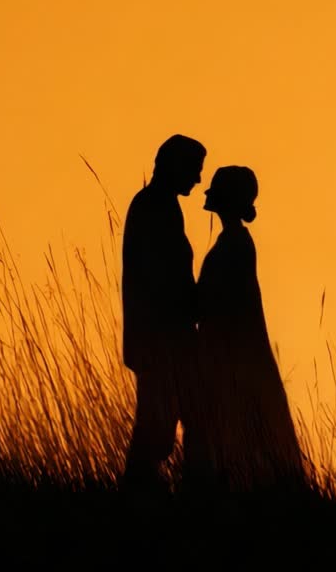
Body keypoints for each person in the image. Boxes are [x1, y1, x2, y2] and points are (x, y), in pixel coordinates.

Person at [193, 165, 305, 495]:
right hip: (231, 357)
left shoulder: (234, 245)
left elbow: (215, 302)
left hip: (230, 361)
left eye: (216, 189)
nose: (208, 192)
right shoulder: (234, 242)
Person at [120, 134, 207, 492]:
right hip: (162, 343)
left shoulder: (159, 204)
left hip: (165, 341)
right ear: (175, 166)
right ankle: (141, 493)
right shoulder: (155, 207)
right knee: (159, 429)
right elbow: (162, 280)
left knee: (173, 423)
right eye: (194, 170)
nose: (198, 179)